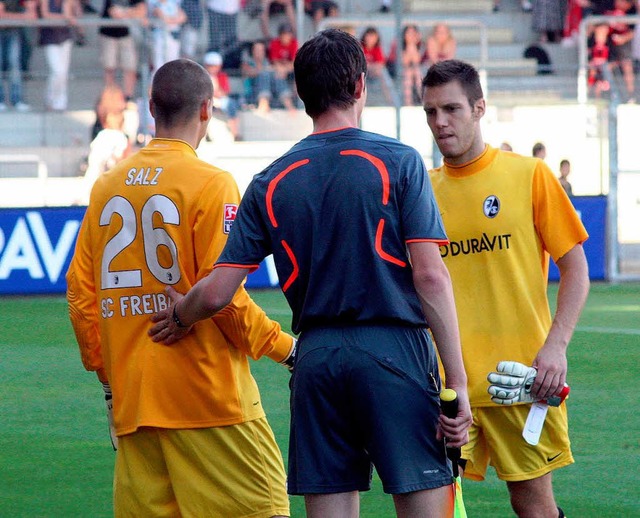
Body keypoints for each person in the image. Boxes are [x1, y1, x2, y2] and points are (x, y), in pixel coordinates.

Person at [149, 29, 472, 518]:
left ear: (301, 95)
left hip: (316, 358)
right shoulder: (399, 161)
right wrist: (459, 383)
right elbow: (430, 277)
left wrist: (180, 315)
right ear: (360, 86)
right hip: (394, 351)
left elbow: (216, 292)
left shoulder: (270, 179)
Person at [66, 59, 294, 517]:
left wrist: (109, 378)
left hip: (136, 408)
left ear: (151, 108)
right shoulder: (210, 184)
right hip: (209, 404)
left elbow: (80, 295)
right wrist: (286, 349)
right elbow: (222, 298)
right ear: (207, 110)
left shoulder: (107, 187)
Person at [422, 59, 590, 518]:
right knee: (432, 507)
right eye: (431, 112)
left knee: (532, 505)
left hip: (519, 380)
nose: (440, 122)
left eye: (452, 109)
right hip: (445, 387)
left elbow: (575, 269)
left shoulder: (529, 175)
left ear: (479, 108)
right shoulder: (419, 189)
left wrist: (555, 348)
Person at [99, 0, 147, 100]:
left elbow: (141, 11)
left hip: (127, 35)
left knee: (130, 67)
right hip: (108, 34)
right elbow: (114, 12)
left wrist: (125, 12)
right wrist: (131, 12)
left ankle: (128, 97)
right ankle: (110, 98)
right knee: (109, 67)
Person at [38, 0, 81, 111]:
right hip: (50, 38)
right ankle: (50, 100)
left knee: (63, 72)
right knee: (57, 71)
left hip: (65, 37)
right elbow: (45, 15)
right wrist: (65, 18)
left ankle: (61, 102)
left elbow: (74, 16)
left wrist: (68, 8)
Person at [0, 0, 37, 111]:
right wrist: (22, 16)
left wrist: (10, 17)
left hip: (13, 31)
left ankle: (17, 100)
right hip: (5, 32)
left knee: (15, 65)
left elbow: (32, 14)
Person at [241, 39, 295, 112]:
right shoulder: (247, 63)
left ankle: (288, 103)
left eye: (261, 50)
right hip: (251, 96)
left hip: (270, 96)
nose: (259, 52)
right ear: (253, 51)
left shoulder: (267, 63)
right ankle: (263, 102)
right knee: (264, 74)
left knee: (277, 76)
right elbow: (249, 72)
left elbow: (281, 71)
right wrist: (265, 69)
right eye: (257, 50)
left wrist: (275, 70)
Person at [203, 50, 241, 139]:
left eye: (215, 66)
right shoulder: (203, 76)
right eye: (210, 66)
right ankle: (205, 134)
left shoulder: (222, 76)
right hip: (207, 100)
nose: (212, 68)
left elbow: (224, 92)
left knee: (230, 104)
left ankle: (235, 133)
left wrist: (216, 88)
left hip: (219, 99)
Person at [148, 0, 186, 72]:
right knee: (158, 64)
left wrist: (172, 20)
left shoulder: (173, 4)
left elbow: (183, 17)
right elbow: (164, 19)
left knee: (172, 62)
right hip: (160, 37)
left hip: (173, 36)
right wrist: (174, 19)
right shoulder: (155, 4)